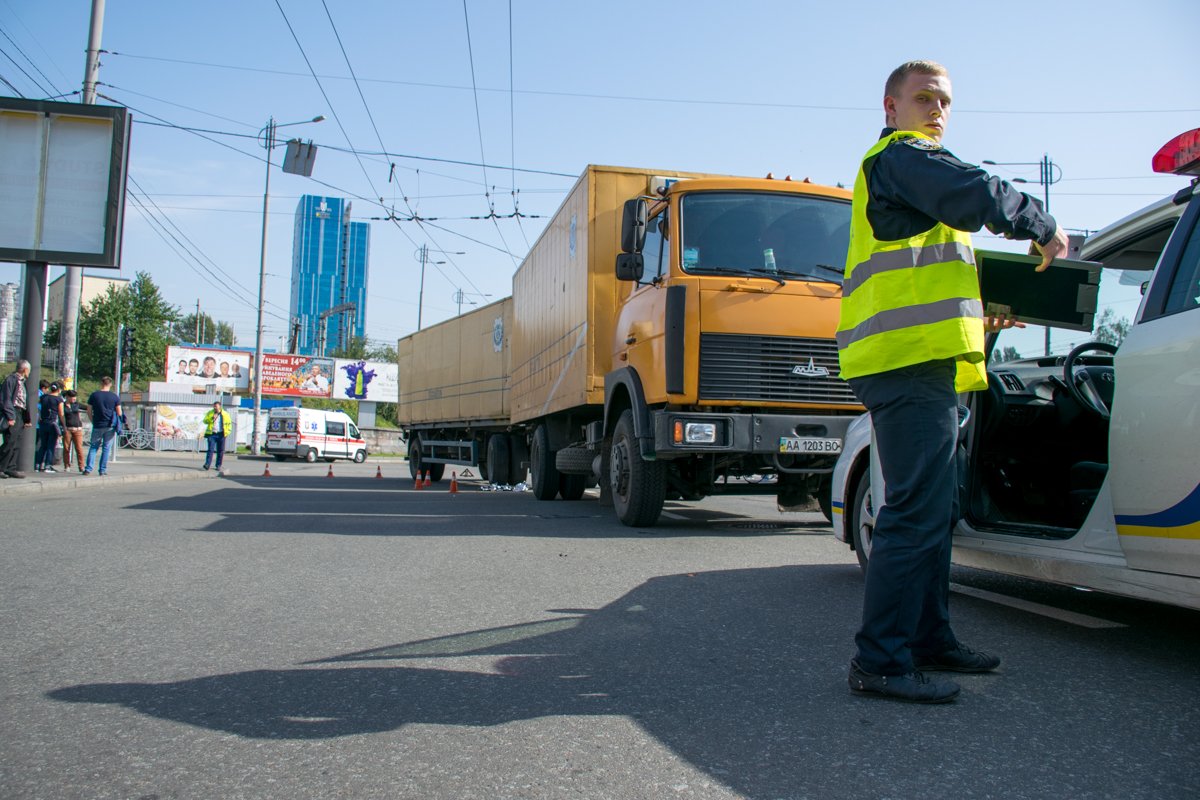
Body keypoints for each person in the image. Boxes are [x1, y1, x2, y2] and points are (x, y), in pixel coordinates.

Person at [837, 60, 1068, 704]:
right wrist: (1039, 223)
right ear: (891, 108)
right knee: (912, 509)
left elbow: (931, 277)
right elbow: (980, 191)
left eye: (944, 101)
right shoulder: (901, 157)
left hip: (922, 358)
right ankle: (880, 661)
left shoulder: (914, 183)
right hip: (905, 360)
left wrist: (986, 318)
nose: (936, 109)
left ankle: (930, 638)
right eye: (923, 98)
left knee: (931, 509)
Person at [84, 376, 123, 476]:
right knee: (106, 448)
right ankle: (102, 470)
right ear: (110, 384)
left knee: (93, 447)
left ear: (101, 383)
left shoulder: (94, 395)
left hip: (97, 424)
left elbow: (88, 410)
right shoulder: (114, 397)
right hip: (110, 425)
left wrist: (92, 420)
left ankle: (88, 469)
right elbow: (119, 412)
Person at [0, 360, 32, 479]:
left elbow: (25, 402)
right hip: (12, 412)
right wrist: (10, 416)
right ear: (25, 370)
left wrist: (27, 419)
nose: (29, 372)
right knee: (10, 441)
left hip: (19, 414)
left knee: (16, 442)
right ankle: (1, 467)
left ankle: (10, 467)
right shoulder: (11, 380)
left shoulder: (22, 382)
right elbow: (5, 399)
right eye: (29, 370)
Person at [35, 381, 65, 473]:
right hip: (53, 424)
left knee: (43, 445)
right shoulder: (58, 399)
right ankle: (47, 466)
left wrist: (40, 417)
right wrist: (64, 425)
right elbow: (61, 413)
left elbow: (38, 407)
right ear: (59, 389)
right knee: (51, 445)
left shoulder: (43, 397)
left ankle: (37, 465)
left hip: (43, 423)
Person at [201, 400, 232, 471]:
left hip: (221, 434)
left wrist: (227, 433)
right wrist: (212, 418)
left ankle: (218, 465)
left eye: (216, 407)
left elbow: (229, 424)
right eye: (214, 407)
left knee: (220, 450)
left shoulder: (225, 414)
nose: (215, 408)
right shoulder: (210, 413)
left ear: (220, 407)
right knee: (210, 450)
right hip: (212, 434)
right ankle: (207, 464)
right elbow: (205, 421)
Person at [61, 389, 86, 473]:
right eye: (72, 397)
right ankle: (67, 465)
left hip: (77, 429)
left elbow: (87, 407)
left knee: (79, 448)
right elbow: (61, 416)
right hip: (68, 429)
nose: (74, 398)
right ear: (67, 397)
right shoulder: (63, 405)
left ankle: (81, 466)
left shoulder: (77, 405)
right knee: (66, 448)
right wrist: (63, 427)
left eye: (75, 397)